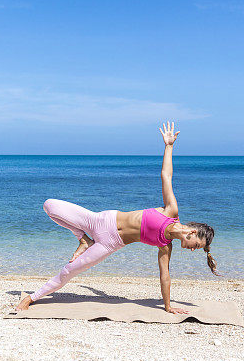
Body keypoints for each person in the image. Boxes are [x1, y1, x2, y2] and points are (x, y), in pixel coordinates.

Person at [15, 121, 221, 314]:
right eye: (197, 244)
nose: (194, 249)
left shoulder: (165, 245)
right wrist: (169, 146)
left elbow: (165, 276)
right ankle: (83, 239)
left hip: (109, 243)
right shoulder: (170, 212)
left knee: (69, 271)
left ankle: (32, 298)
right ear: (193, 232)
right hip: (101, 221)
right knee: (50, 205)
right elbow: (166, 176)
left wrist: (168, 306)